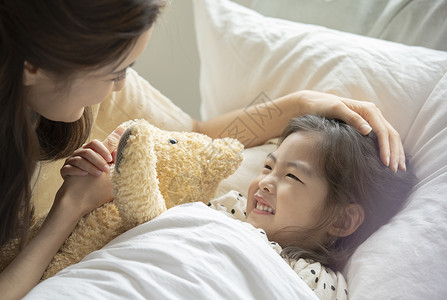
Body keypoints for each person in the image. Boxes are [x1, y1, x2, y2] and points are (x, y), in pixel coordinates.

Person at [0, 0, 406, 299]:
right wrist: (69, 209)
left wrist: (301, 105)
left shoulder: (82, 85)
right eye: (116, 71)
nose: (122, 86)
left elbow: (192, 132)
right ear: (33, 66)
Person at [208, 115, 416, 299]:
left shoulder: (312, 281)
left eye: (292, 176)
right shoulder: (228, 209)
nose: (264, 182)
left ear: (342, 220)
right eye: (268, 167)